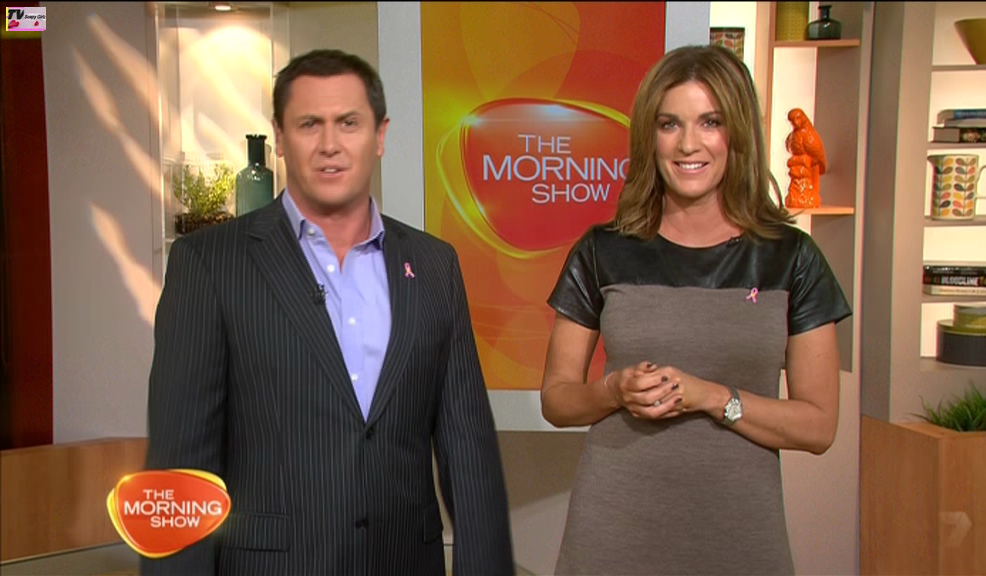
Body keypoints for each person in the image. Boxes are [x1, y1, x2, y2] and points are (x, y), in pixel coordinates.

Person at [142, 49, 514, 576]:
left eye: (349, 123)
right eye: (309, 124)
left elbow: (468, 451)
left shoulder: (435, 266)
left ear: (380, 135)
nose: (329, 145)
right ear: (280, 137)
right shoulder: (209, 264)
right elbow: (180, 473)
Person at [540, 44, 851, 576]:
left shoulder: (792, 258)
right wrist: (614, 391)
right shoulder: (602, 251)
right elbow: (557, 399)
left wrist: (713, 397)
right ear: (650, 136)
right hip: (614, 532)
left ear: (738, 133)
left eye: (710, 122)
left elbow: (818, 427)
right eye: (670, 124)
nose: (688, 144)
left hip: (739, 534)